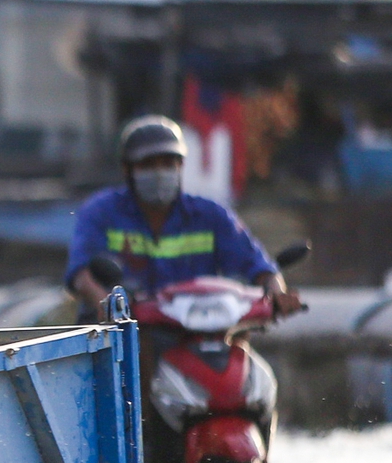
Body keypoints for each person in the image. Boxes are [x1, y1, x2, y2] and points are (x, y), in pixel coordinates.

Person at [67, 115, 303, 316]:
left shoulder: (211, 216)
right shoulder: (101, 212)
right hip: (124, 338)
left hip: (197, 334)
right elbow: (81, 274)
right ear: (127, 169)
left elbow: (259, 266)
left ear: (181, 166)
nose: (159, 173)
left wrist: (277, 294)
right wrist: (109, 308)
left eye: (168, 163)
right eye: (148, 164)